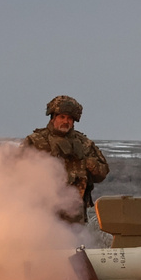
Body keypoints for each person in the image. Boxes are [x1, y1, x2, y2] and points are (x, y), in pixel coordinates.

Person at [23, 95, 110, 224]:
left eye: (69, 118)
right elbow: (16, 173)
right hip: (41, 214)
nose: (66, 121)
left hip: (75, 216)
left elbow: (103, 173)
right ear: (53, 118)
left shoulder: (84, 144)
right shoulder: (36, 142)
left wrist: (89, 163)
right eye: (62, 117)